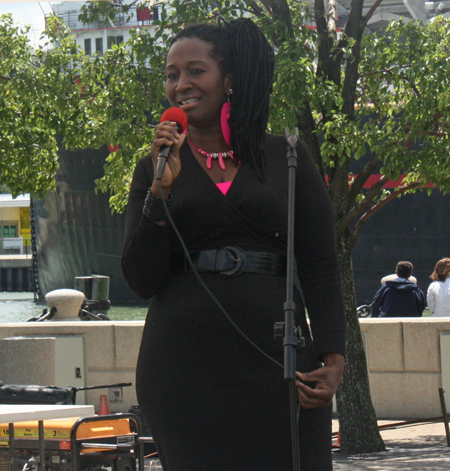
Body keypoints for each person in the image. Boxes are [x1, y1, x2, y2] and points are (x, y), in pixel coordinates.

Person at [122, 18, 345, 471]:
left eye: (195, 71)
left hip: (278, 361)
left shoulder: (286, 156)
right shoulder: (155, 167)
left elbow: (321, 264)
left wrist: (334, 358)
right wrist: (159, 197)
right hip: (181, 368)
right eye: (171, 74)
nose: (180, 84)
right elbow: (142, 279)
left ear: (229, 80)